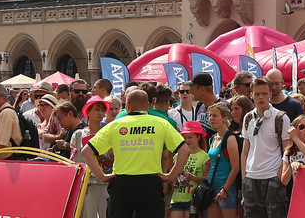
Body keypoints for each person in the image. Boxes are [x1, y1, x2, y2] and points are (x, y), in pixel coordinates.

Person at [82, 89, 190, 218]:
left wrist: (101, 176)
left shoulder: (115, 125)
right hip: (150, 183)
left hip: (123, 183)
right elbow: (185, 150)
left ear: (127, 105)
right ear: (149, 105)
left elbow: (87, 151)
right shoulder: (161, 123)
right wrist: (171, 175)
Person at [240, 77, 292, 218]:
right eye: (257, 94)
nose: (260, 97)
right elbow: (245, 151)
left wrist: (279, 177)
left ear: (270, 94)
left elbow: (287, 150)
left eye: (264, 93)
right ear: (251, 95)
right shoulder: (248, 118)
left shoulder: (281, 118)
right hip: (251, 177)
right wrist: (244, 177)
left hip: (272, 177)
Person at [71, 96, 110, 218]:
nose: (101, 113)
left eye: (103, 110)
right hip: (85, 185)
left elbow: (114, 161)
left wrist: (100, 157)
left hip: (105, 184)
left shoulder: (108, 133)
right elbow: (73, 162)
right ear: (88, 112)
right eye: (97, 109)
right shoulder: (78, 134)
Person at [205, 102, 241, 218]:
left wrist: (225, 190)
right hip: (211, 186)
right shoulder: (212, 138)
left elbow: (235, 168)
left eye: (215, 116)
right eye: (210, 115)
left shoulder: (230, 138)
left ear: (225, 118)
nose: (211, 119)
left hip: (225, 186)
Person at [169, 121, 211, 218]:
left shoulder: (205, 157)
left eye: (190, 137)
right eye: (185, 138)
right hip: (176, 199)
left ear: (198, 137)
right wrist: (173, 180)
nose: (187, 140)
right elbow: (173, 177)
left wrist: (191, 177)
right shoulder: (177, 156)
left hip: (193, 200)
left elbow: (206, 180)